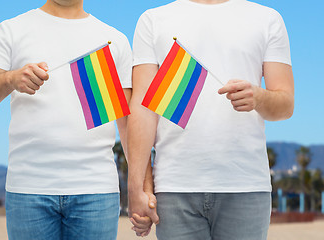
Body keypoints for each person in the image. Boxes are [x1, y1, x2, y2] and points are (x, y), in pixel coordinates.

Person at [0, 0, 133, 239]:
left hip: (96, 190)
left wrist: (140, 187)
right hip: (28, 190)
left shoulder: (114, 40)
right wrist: (10, 79)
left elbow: (126, 123)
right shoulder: (11, 30)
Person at [126, 0, 294, 238]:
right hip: (174, 187)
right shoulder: (153, 20)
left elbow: (285, 105)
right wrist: (136, 187)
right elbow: (143, 108)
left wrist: (258, 97)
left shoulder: (267, 19)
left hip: (245, 186)